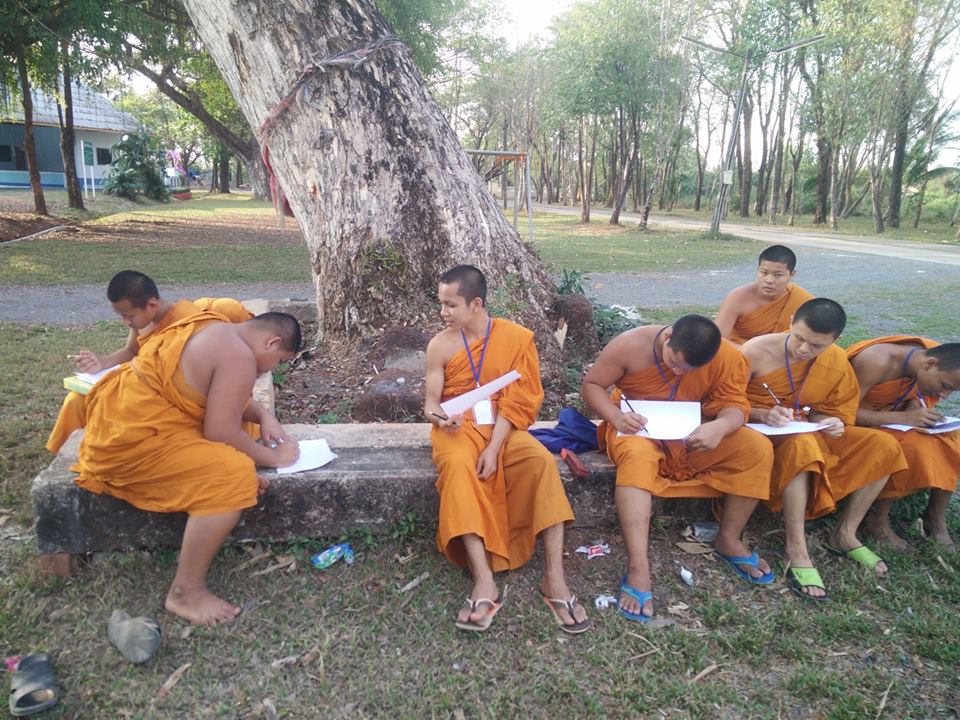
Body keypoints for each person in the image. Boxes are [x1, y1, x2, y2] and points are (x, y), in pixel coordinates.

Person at [74, 309, 302, 625]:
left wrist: (265, 415)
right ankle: (186, 591)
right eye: (279, 361)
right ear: (272, 342)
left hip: (118, 421)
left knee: (246, 433)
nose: (271, 370)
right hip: (131, 445)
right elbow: (220, 431)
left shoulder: (214, 325)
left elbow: (219, 396)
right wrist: (274, 458)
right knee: (233, 476)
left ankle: (213, 472)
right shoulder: (240, 357)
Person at [424, 265, 590, 634]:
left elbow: (520, 400)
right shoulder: (440, 345)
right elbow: (431, 404)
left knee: (540, 462)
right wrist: (441, 420)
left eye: (451, 305)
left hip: (504, 426)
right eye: (442, 304)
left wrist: (494, 447)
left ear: (476, 304)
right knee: (458, 467)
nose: (443, 312)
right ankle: (483, 579)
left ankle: (554, 577)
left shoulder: (515, 339)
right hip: (459, 429)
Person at [581, 314, 774, 623]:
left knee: (756, 448)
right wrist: (616, 417)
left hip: (691, 432)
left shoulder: (727, 357)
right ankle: (638, 566)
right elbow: (592, 385)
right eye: (674, 363)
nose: (678, 373)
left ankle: (729, 538)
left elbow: (736, 404)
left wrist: (721, 427)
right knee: (636, 458)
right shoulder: (630, 345)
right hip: (636, 429)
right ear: (668, 337)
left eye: (688, 371)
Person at [741, 299, 907, 601]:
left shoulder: (835, 360)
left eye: (816, 345)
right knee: (802, 445)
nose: (804, 349)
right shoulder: (755, 350)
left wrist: (828, 421)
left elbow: (830, 409)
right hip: (760, 433)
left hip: (806, 430)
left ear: (835, 340)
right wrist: (762, 413)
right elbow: (724, 401)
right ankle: (796, 548)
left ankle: (845, 533)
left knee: (883, 445)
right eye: (799, 338)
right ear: (792, 322)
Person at [47, 270, 253, 454]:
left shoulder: (189, 322)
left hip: (167, 399)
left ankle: (103, 452)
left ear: (151, 305)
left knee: (110, 407)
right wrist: (101, 363)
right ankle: (66, 454)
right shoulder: (143, 320)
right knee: (75, 400)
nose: (126, 322)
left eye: (129, 316)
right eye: (122, 316)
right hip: (139, 383)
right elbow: (131, 350)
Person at [847, 337, 960, 549]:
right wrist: (902, 418)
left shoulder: (925, 356)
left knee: (952, 437)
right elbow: (842, 412)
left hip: (890, 419)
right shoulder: (876, 360)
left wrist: (914, 406)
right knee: (909, 443)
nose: (944, 396)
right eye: (945, 386)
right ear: (929, 364)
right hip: (853, 428)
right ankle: (878, 518)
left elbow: (911, 395)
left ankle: (935, 515)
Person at [715, 245, 814, 344]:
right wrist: (751, 351)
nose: (769, 280)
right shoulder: (738, 298)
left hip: (782, 353)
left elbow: (814, 341)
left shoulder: (804, 302)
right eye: (764, 273)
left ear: (792, 274)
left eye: (778, 275)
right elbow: (716, 340)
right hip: (739, 351)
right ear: (758, 270)